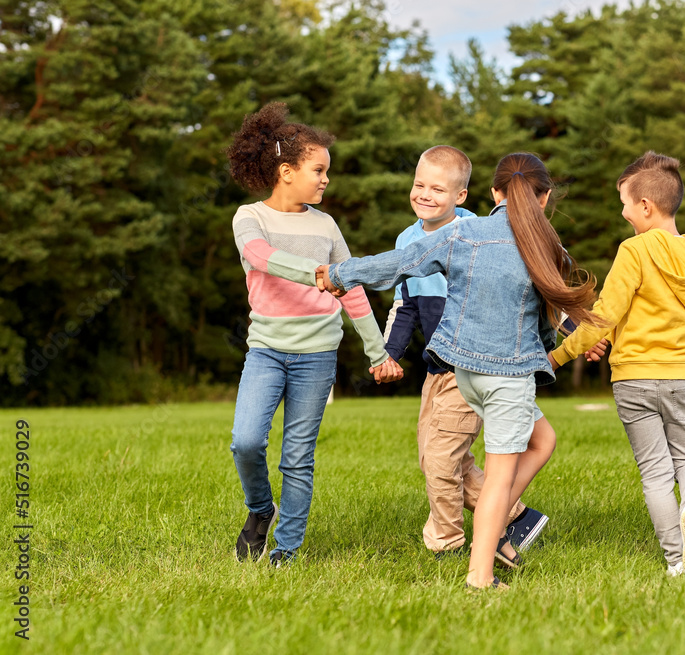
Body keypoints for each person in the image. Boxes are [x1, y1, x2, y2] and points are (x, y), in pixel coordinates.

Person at [317, 152, 604, 589]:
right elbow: (556, 304)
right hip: (504, 374)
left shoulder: (463, 232)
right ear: (543, 198)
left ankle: (503, 515)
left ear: (493, 192)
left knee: (543, 439)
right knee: (498, 477)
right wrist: (582, 334)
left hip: (462, 369)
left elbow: (397, 265)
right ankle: (480, 573)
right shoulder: (547, 244)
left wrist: (340, 272)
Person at [225, 102, 402, 567]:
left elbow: (352, 290)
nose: (326, 179)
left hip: (317, 355)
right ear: (286, 171)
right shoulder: (250, 217)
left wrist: (377, 351)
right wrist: (318, 273)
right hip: (266, 350)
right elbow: (261, 257)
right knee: (245, 441)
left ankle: (286, 547)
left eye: (328, 171)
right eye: (318, 170)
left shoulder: (326, 225)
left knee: (297, 458)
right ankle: (261, 511)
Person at [547, 151, 685, 576]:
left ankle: (677, 559)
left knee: (656, 473)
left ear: (645, 206)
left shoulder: (634, 250)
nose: (622, 212)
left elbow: (605, 315)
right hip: (680, 375)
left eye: (624, 203)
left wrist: (558, 354)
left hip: (635, 378)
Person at [382, 146, 549, 564]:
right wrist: (389, 354)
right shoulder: (408, 239)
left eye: (437, 188)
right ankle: (514, 520)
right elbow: (406, 306)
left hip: (470, 362)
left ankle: (449, 543)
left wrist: (568, 329)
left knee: (441, 460)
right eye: (418, 184)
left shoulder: (478, 233)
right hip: (436, 365)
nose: (424, 194)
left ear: (462, 196)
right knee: (435, 460)